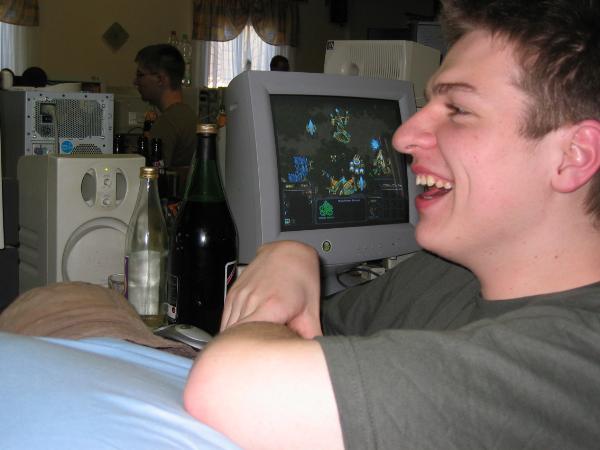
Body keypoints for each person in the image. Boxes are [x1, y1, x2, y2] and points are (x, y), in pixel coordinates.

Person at [183, 0, 600, 449]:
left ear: (573, 155)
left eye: (458, 109)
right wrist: (291, 259)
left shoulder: (579, 357)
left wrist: (280, 263)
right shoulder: (439, 276)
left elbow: (235, 389)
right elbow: (307, 339)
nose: (402, 138)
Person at [134, 44, 197, 168]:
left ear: (160, 79)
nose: (135, 81)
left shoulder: (167, 123)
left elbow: (154, 176)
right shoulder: (188, 115)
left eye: (140, 75)